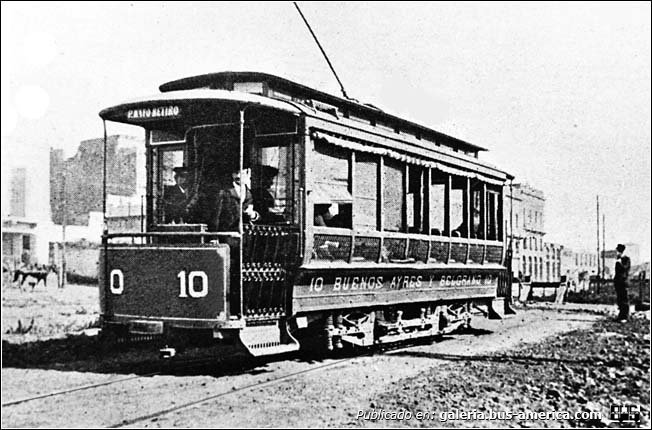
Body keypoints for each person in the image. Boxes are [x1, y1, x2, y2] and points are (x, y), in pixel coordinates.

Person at [614, 243, 631, 322]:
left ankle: (625, 317)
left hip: (623, 281)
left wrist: (620, 262)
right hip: (618, 282)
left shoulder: (626, 259)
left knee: (624, 299)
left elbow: (625, 269)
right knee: (620, 300)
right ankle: (621, 316)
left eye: (619, 251)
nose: (618, 252)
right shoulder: (618, 259)